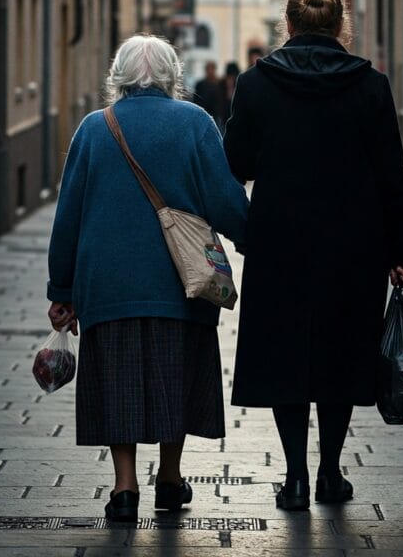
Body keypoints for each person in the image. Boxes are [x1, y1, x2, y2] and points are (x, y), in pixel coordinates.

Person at [223, 0, 403, 511]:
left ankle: (295, 477)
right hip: (353, 245)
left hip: (280, 241)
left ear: (288, 23)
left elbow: (234, 164)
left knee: (286, 354)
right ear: (339, 26)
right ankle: (331, 471)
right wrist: (401, 249)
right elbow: (390, 175)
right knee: (341, 353)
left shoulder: (256, 84)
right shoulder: (370, 85)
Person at [46, 35, 248, 523]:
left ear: (118, 76)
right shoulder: (195, 123)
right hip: (180, 282)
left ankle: (124, 486)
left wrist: (61, 290)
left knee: (117, 381)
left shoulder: (95, 129)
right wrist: (255, 237)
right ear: (171, 75)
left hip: (107, 285)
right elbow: (224, 201)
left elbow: (67, 213)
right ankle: (171, 479)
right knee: (174, 377)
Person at [192, 60, 222, 124]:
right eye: (208, 69)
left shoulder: (220, 84)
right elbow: (196, 100)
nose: (210, 71)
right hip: (203, 114)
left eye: (212, 68)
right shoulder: (200, 84)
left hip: (217, 116)